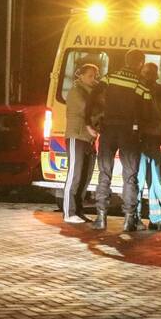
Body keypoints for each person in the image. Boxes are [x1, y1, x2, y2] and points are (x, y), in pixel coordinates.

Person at [88, 48, 148, 231]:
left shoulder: (109, 77)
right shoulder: (140, 83)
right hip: (129, 132)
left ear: (126, 60)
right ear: (140, 64)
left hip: (108, 130)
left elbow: (92, 97)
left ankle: (101, 218)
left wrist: (89, 122)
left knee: (104, 173)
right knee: (130, 176)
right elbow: (145, 110)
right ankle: (129, 219)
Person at [134, 61, 161, 232]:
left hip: (148, 140)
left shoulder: (151, 90)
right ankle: (147, 218)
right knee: (147, 180)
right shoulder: (156, 91)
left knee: (147, 180)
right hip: (144, 140)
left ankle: (146, 218)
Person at [63, 63, 99, 223]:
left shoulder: (92, 93)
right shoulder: (76, 91)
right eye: (90, 76)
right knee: (74, 175)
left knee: (86, 176)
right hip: (76, 136)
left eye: (95, 76)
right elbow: (86, 109)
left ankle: (78, 210)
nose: (93, 79)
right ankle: (69, 213)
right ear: (81, 76)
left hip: (89, 139)